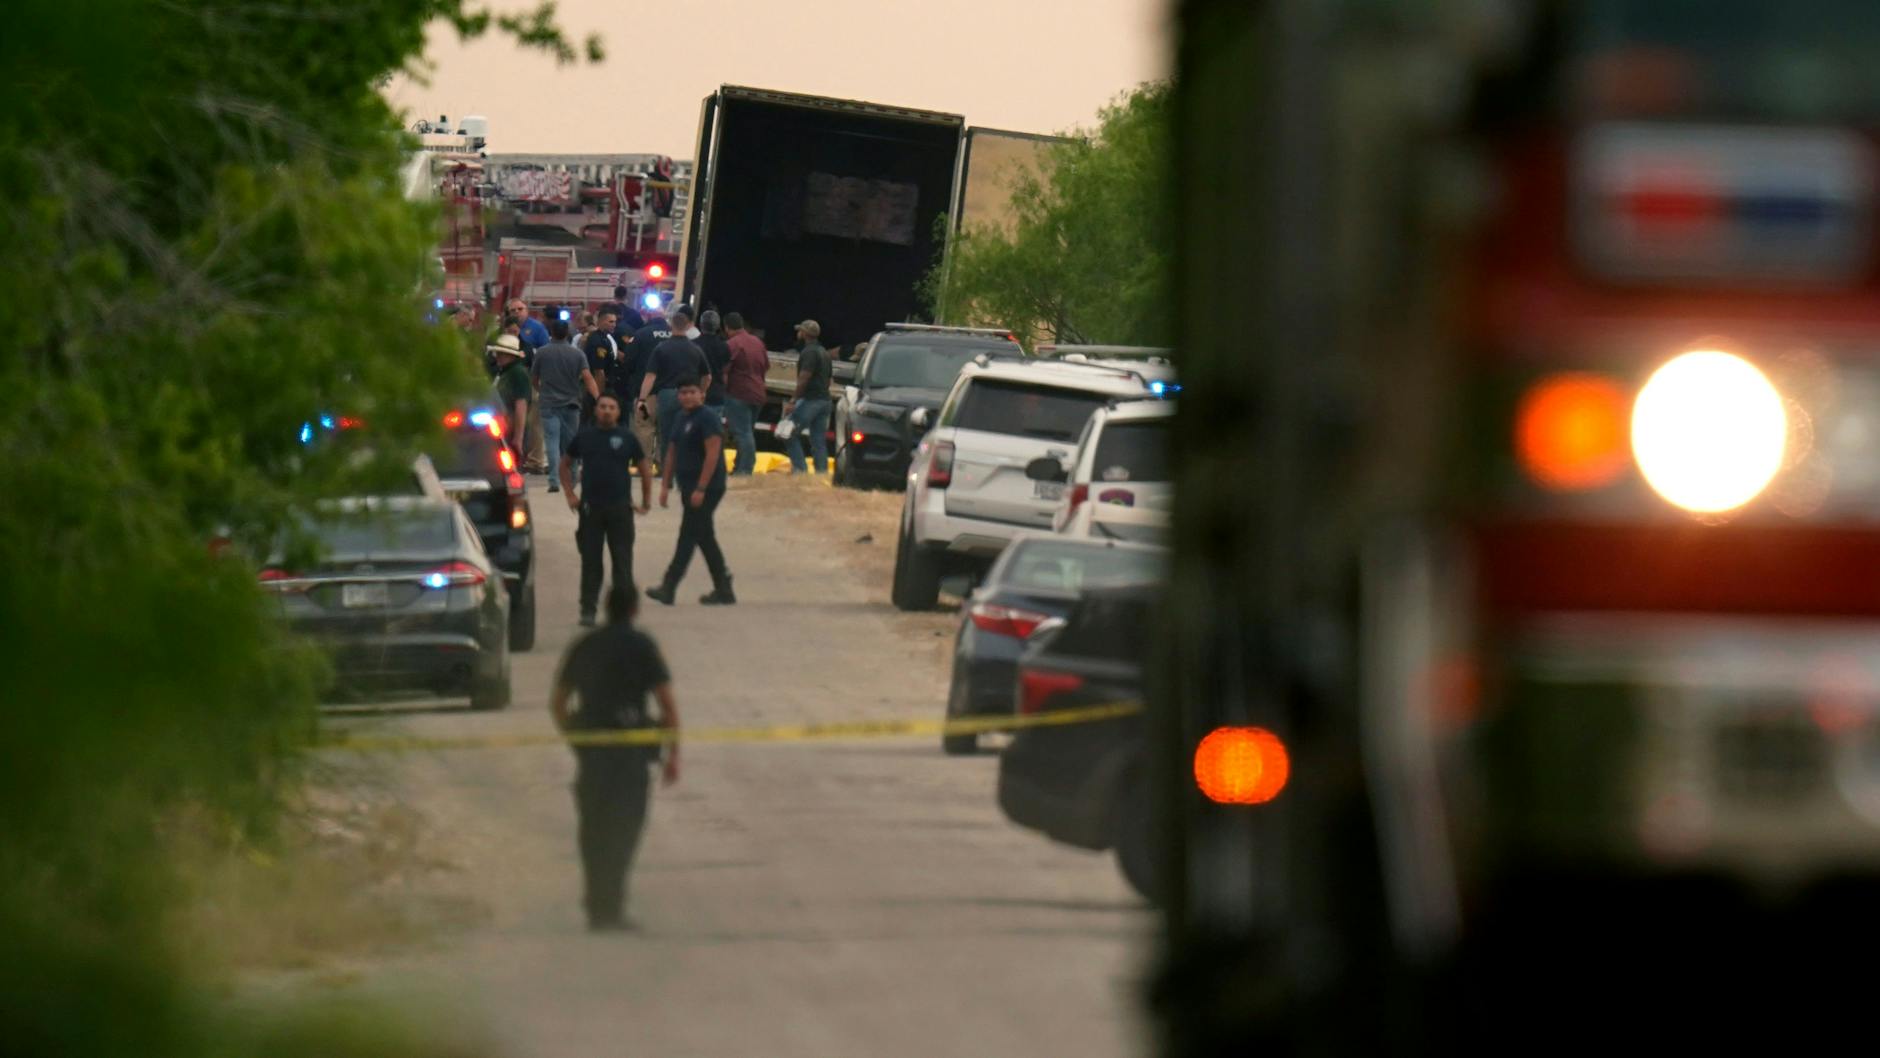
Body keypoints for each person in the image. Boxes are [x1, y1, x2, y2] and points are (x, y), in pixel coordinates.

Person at [549, 584, 680, 932]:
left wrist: (575, 739)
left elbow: (559, 702)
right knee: (625, 830)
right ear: (635, 610)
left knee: (592, 829)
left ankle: (597, 905)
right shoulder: (642, 646)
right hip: (630, 754)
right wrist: (672, 755)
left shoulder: (586, 645)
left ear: (606, 608)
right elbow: (667, 706)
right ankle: (612, 905)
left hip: (593, 754)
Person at [560, 393, 654, 626]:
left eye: (612, 407)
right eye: (603, 407)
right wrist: (571, 494)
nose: (607, 411)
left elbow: (644, 470)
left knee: (622, 563)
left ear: (618, 412)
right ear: (596, 410)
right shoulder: (585, 437)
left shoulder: (627, 438)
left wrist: (645, 501)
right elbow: (565, 465)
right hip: (591, 509)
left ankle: (622, 613)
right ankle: (588, 609)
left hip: (620, 509)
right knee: (591, 562)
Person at [647, 377, 734, 606]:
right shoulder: (680, 417)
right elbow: (672, 453)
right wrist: (665, 485)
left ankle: (669, 586)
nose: (687, 396)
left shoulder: (708, 418)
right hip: (687, 486)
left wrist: (701, 488)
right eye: (683, 392)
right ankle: (724, 587)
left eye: (692, 392)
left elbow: (713, 454)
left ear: (702, 394)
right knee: (704, 536)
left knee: (688, 535)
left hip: (708, 487)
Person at [531, 315, 599, 493]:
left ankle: (553, 480)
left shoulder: (542, 352)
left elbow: (534, 378)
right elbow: (588, 377)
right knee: (570, 443)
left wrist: (541, 390)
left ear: (551, 333)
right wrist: (598, 398)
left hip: (549, 403)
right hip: (572, 403)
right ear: (568, 333)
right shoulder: (577, 354)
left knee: (552, 442)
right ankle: (573, 476)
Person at [637, 306, 710, 456]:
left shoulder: (661, 348)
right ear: (688, 326)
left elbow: (650, 376)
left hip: (667, 395)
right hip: (690, 396)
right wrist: (701, 393)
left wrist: (642, 398)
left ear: (671, 325)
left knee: (667, 435)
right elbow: (707, 376)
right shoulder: (696, 349)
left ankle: (666, 470)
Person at [783, 319, 833, 474]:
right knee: (818, 440)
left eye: (800, 330)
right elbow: (829, 379)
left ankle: (800, 470)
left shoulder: (809, 352)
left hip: (811, 400)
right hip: (825, 400)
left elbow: (804, 378)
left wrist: (793, 401)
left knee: (788, 433)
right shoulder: (824, 352)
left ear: (804, 334)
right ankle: (821, 474)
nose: (798, 332)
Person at [723, 312, 769, 475]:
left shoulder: (732, 344)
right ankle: (739, 466)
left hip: (739, 393)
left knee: (742, 433)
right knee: (747, 431)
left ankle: (745, 469)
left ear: (727, 327)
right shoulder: (757, 342)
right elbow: (765, 366)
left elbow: (725, 371)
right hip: (758, 393)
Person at [624, 308, 673, 464]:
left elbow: (629, 362)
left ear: (648, 317)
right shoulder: (677, 335)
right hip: (672, 393)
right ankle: (664, 464)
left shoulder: (640, 334)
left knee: (644, 428)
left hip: (646, 392)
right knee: (667, 430)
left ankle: (644, 465)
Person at [489, 334, 532, 461]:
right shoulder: (504, 372)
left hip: (511, 429)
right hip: (502, 428)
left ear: (510, 355)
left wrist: (518, 438)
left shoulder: (517, 373)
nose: (498, 356)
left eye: (501, 353)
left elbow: (521, 405)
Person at [583, 308, 624, 419]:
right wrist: (600, 398)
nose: (614, 325)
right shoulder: (597, 341)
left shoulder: (605, 338)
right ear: (601, 322)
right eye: (610, 322)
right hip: (597, 389)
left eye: (615, 322)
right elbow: (599, 372)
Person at [696, 310, 731, 410]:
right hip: (717, 396)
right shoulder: (724, 346)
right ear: (717, 327)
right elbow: (726, 371)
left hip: (696, 394)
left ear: (701, 324)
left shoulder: (693, 345)